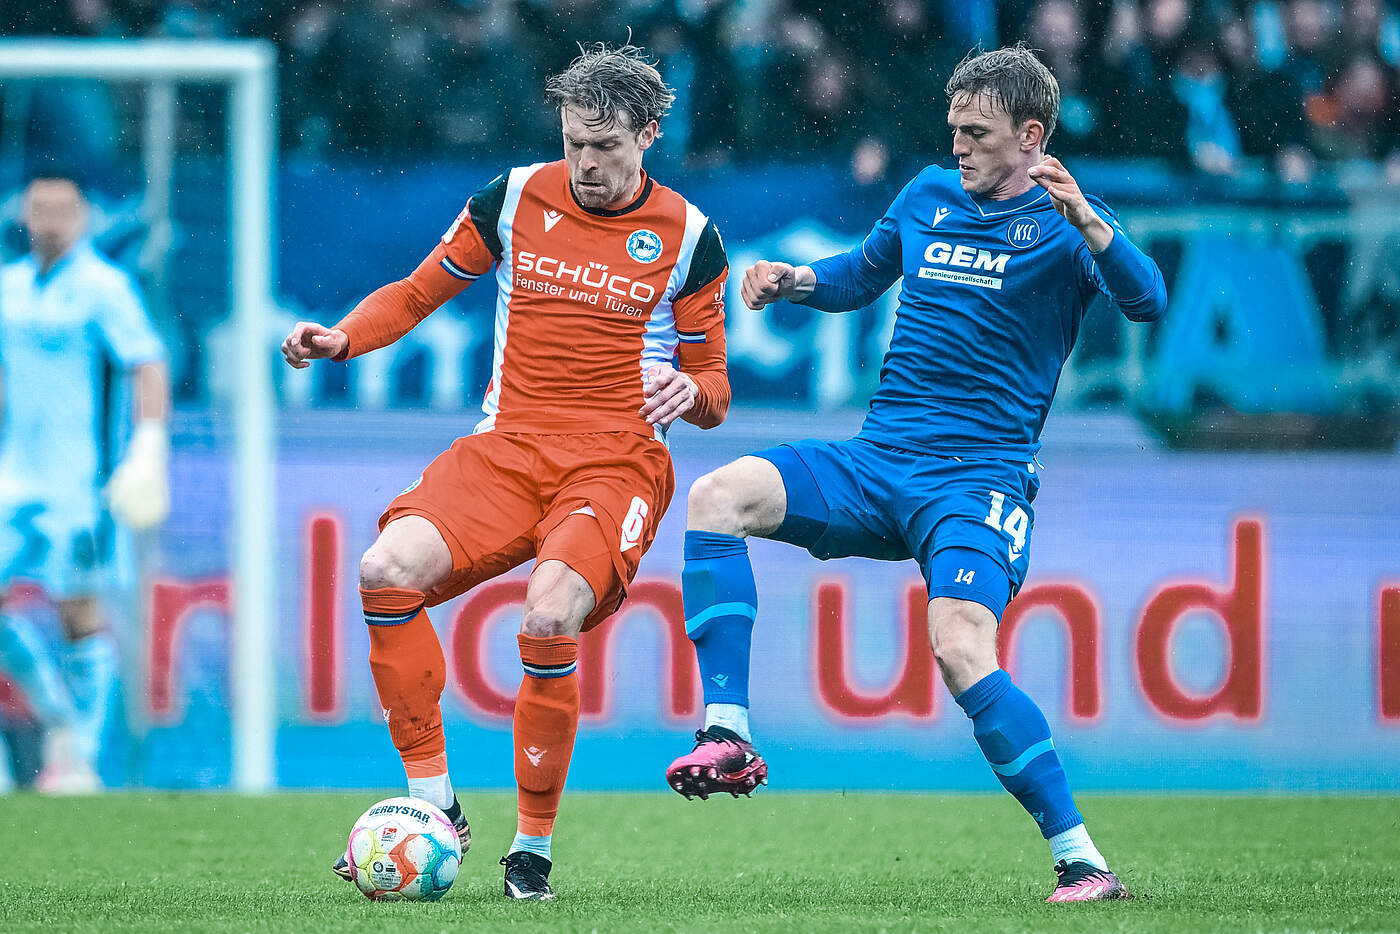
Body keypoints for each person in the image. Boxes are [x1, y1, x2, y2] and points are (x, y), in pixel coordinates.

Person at [665, 44, 1166, 903]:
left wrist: (1089, 220)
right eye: (954, 129)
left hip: (978, 481)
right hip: (878, 459)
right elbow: (861, 275)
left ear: (1031, 135)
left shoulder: (1066, 224)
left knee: (961, 647)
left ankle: (1081, 860)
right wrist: (795, 280)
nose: (959, 146)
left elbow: (1147, 299)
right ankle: (729, 733)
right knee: (718, 496)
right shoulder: (928, 194)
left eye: (978, 133)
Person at [282, 43, 730, 901]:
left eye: (605, 146)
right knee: (384, 570)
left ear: (649, 135)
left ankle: (531, 850)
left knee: (550, 614)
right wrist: (344, 338)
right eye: (573, 143)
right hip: (507, 447)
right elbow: (416, 291)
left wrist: (692, 391)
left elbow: (714, 385)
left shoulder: (689, 236)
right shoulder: (515, 197)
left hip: (616, 461)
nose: (586, 163)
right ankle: (435, 806)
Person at [0, 168, 171, 793]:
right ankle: (59, 720)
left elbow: (146, 363)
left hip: (82, 480)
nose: (49, 220)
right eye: (39, 208)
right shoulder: (9, 287)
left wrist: (147, 446)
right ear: (24, 215)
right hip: (14, 474)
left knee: (78, 609)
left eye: (61, 209)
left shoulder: (104, 286)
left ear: (81, 217)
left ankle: (81, 761)